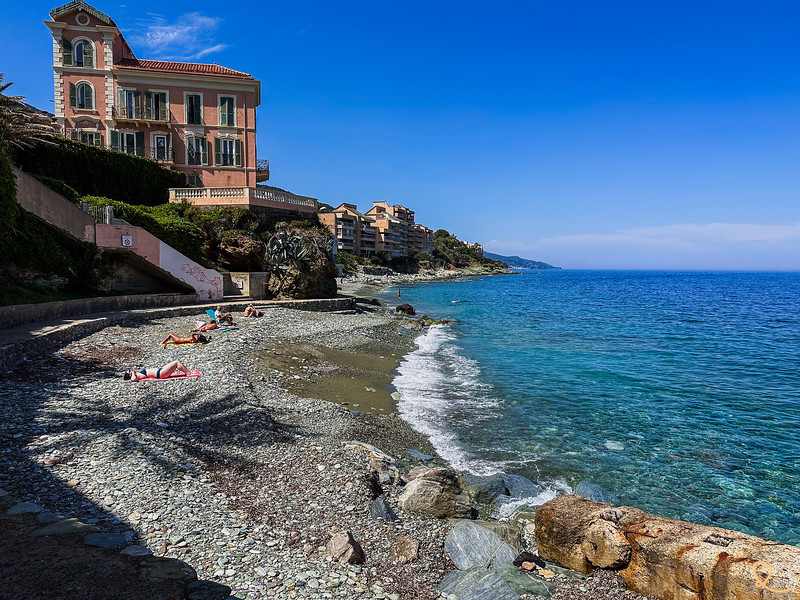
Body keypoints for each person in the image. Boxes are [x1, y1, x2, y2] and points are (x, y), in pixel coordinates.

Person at [123, 360, 191, 381]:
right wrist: (132, 373)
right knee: (176, 363)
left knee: (175, 363)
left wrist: (132, 372)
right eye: (129, 371)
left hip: (160, 371)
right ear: (129, 375)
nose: (131, 370)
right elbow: (133, 380)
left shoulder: (137, 373)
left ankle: (187, 371)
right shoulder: (136, 376)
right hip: (160, 374)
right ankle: (188, 373)